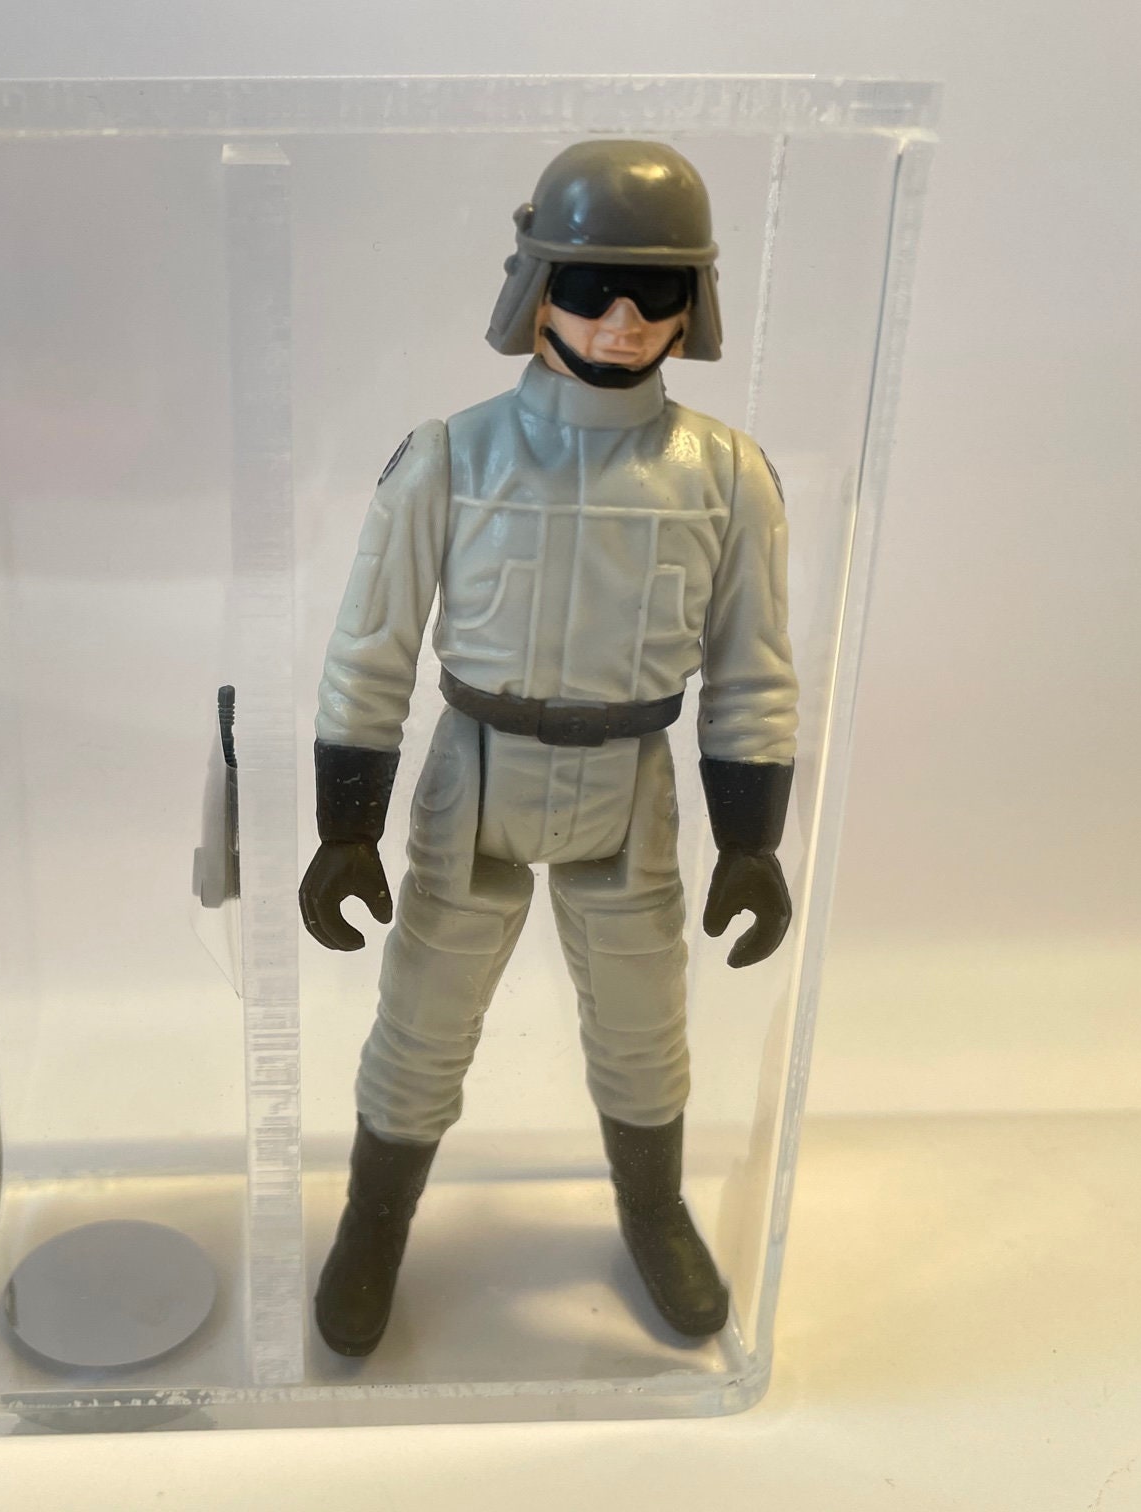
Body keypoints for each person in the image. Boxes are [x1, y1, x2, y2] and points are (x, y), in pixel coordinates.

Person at [301, 140, 800, 1357]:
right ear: (536, 290)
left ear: (693, 302)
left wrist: (752, 842)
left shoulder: (727, 476)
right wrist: (347, 826)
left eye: (655, 290)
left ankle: (653, 1208)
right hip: (478, 775)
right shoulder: (451, 459)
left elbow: (752, 668)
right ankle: (374, 1222)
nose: (623, 320)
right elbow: (371, 649)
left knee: (644, 1022)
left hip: (630, 784)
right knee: (423, 1018)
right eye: (590, 287)